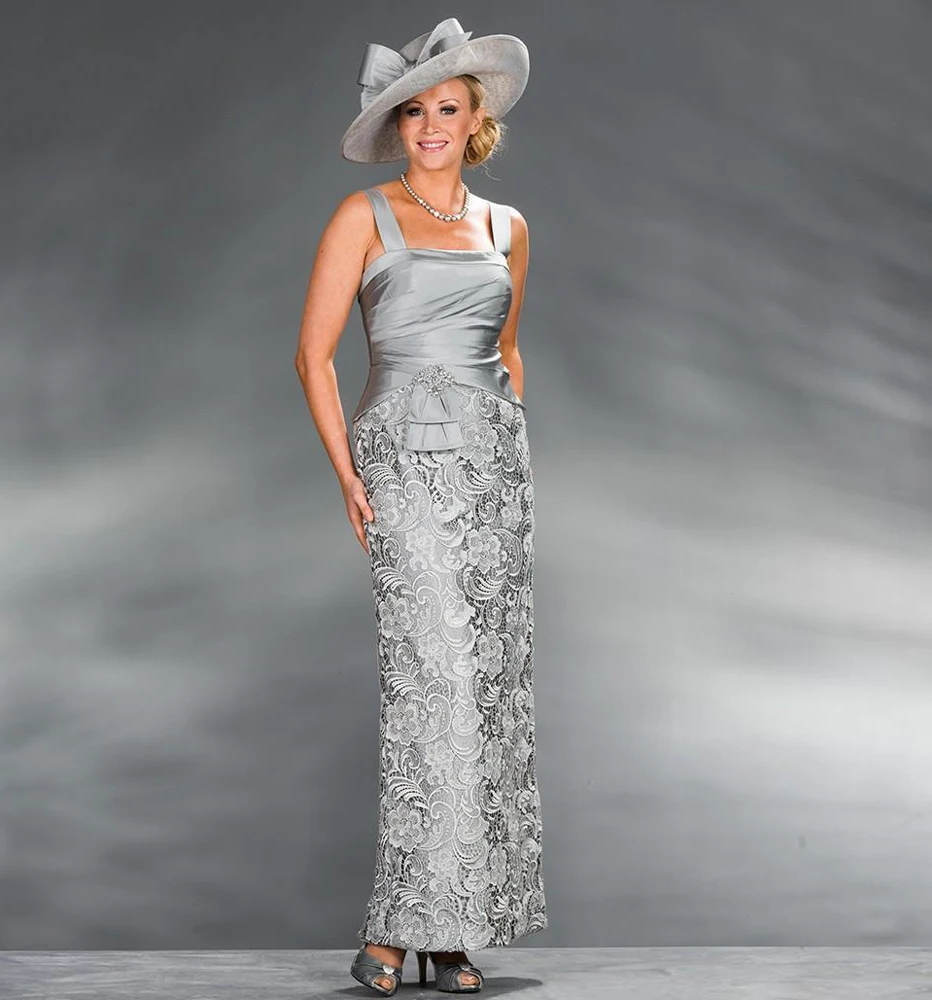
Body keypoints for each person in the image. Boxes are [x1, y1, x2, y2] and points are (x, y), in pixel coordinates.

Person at [294, 16, 547, 996]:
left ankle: (451, 931)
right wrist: (348, 475)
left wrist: (508, 444)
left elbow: (508, 350)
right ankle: (395, 927)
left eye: (448, 108)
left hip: (494, 479)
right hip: (401, 467)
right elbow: (314, 356)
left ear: (476, 120)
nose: (432, 125)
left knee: (482, 692)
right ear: (397, 124)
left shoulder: (508, 228)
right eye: (415, 111)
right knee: (427, 686)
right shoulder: (361, 217)